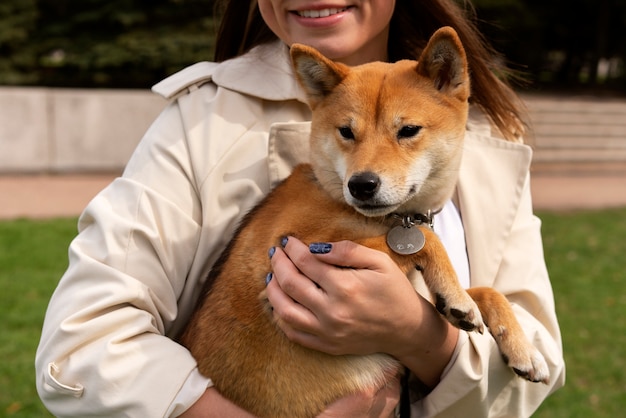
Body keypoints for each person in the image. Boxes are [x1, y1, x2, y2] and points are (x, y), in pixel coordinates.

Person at [35, 0, 566, 416]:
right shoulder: (198, 124)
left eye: (405, 133)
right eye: (348, 134)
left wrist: (417, 336)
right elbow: (83, 346)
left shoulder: (489, 133)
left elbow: (536, 370)